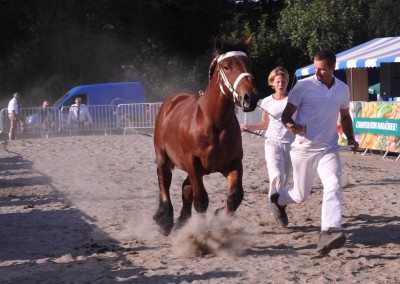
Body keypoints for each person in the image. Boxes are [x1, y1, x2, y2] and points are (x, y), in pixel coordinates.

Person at [271, 50, 359, 255]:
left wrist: (352, 138)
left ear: (332, 68)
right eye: (314, 68)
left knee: (334, 185)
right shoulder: (303, 86)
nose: (316, 72)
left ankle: (329, 230)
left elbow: (345, 117)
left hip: (328, 148)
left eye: (321, 69)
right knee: (301, 195)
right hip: (303, 149)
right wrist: (291, 126)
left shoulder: (343, 89)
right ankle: (279, 200)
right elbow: (286, 115)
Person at [240, 67, 294, 223]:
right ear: (273, 83)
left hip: (291, 144)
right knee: (276, 174)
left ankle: (280, 206)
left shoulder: (293, 99)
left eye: (284, 81)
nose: (281, 84)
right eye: (278, 81)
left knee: (284, 180)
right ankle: (274, 205)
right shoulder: (266, 101)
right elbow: (264, 123)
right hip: (272, 143)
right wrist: (247, 126)